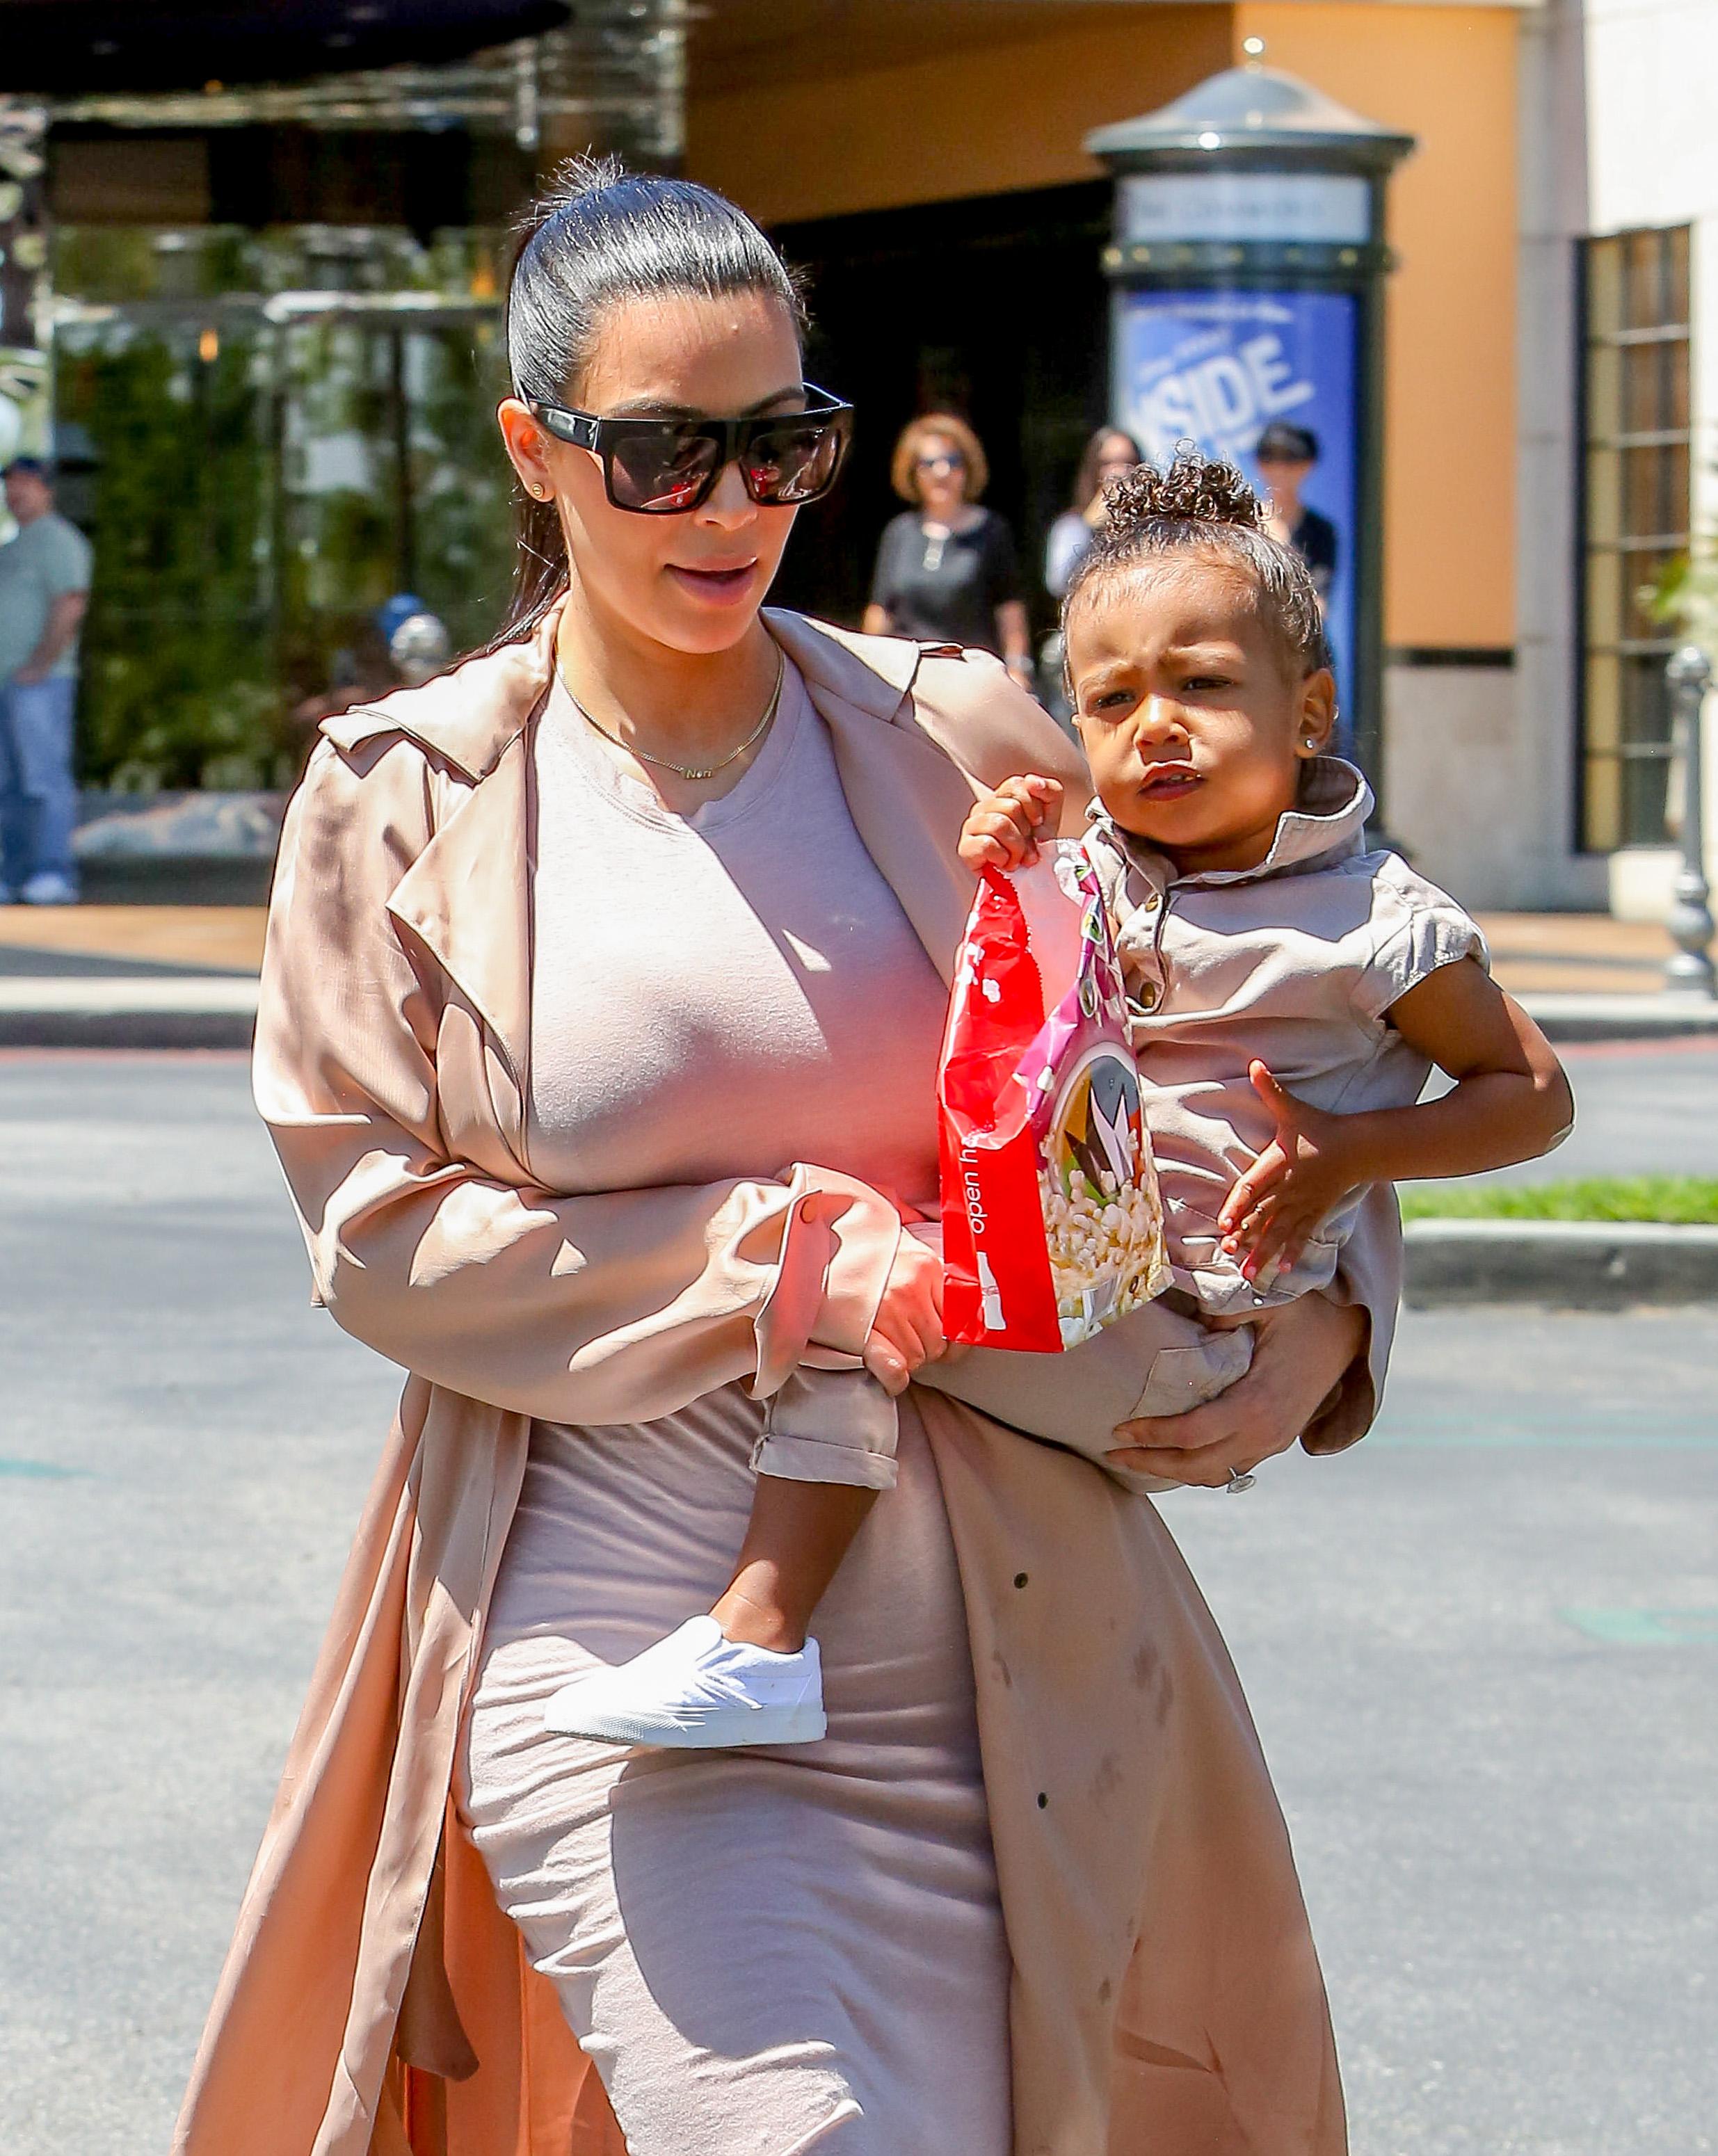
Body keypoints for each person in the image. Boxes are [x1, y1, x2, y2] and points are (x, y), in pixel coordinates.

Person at [176, 161, 1400, 2156]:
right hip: (626, 1649)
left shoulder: (951, 734)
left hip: (1014, 1663)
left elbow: (1251, 998)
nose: (733, 509)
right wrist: (779, 1257)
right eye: (663, 454)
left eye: (778, 445)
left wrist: (1335, 1316)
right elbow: (375, 1230)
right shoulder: (406, 798)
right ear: (537, 451)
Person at [954, 449, 1572, 1467]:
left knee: (858, 1331)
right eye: (1112, 702)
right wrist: (1007, 865)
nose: (1156, 725)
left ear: (1309, 714)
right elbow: (1000, 1031)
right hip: (1081, 1287)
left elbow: (1535, 1093)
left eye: (1201, 684)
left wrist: (1356, 1150)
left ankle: (766, 1614)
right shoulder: (1091, 875)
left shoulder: (1372, 920)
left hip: (1201, 1342)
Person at [862, 412, 1034, 691]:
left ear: (967, 469)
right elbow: (881, 611)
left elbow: (1010, 611)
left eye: (952, 462)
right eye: (929, 463)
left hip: (971, 679)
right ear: (913, 472)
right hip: (908, 682)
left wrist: (1018, 668)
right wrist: (863, 669)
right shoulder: (899, 532)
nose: (941, 472)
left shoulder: (992, 530)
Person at [0, 456, 93, 904]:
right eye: (10, 484)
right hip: (9, 683)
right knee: (9, 784)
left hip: (41, 683)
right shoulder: (16, 544)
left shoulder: (58, 540)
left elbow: (71, 604)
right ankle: (15, 874)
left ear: (47, 491)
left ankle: (53, 872)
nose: (15, 492)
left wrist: (40, 664)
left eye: (25, 484)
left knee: (43, 780)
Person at [1044, 424, 1144, 600]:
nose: (1119, 472)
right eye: (1108, 463)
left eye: (1128, 462)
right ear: (1093, 469)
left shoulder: (1151, 524)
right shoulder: (1072, 525)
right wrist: (1091, 526)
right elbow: (1058, 584)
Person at [1255, 419, 1338, 604]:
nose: (1279, 469)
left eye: (1290, 459)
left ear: (1307, 465)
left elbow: (1319, 603)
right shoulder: (1242, 522)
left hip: (1298, 630)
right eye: (1269, 457)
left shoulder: (1320, 531)